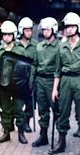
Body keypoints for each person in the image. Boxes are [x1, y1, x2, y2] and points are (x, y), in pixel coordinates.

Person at [49, 12, 80, 155]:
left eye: (71, 26)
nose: (68, 29)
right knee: (62, 113)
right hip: (65, 81)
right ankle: (60, 142)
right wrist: (55, 89)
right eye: (67, 26)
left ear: (77, 27)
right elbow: (57, 70)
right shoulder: (61, 47)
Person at [0, 20, 28, 144]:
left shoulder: (20, 50)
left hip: (17, 87)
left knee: (18, 109)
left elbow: (25, 69)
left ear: (14, 35)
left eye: (9, 34)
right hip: (3, 86)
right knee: (5, 110)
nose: (6, 37)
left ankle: (21, 133)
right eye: (4, 34)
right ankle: (6, 133)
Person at [32, 17, 60, 147]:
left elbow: (60, 67)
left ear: (54, 30)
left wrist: (57, 86)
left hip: (52, 80)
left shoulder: (59, 46)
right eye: (43, 30)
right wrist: (32, 81)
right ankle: (43, 136)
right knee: (42, 110)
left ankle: (61, 137)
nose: (45, 32)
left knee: (57, 110)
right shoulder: (39, 46)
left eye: (48, 29)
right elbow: (35, 65)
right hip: (40, 80)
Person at [17, 17, 38, 133]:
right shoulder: (16, 46)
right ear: (21, 31)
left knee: (31, 104)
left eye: (30, 30)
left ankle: (26, 121)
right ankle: (18, 122)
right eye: (27, 30)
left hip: (31, 79)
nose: (29, 32)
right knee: (18, 104)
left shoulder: (36, 45)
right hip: (18, 80)